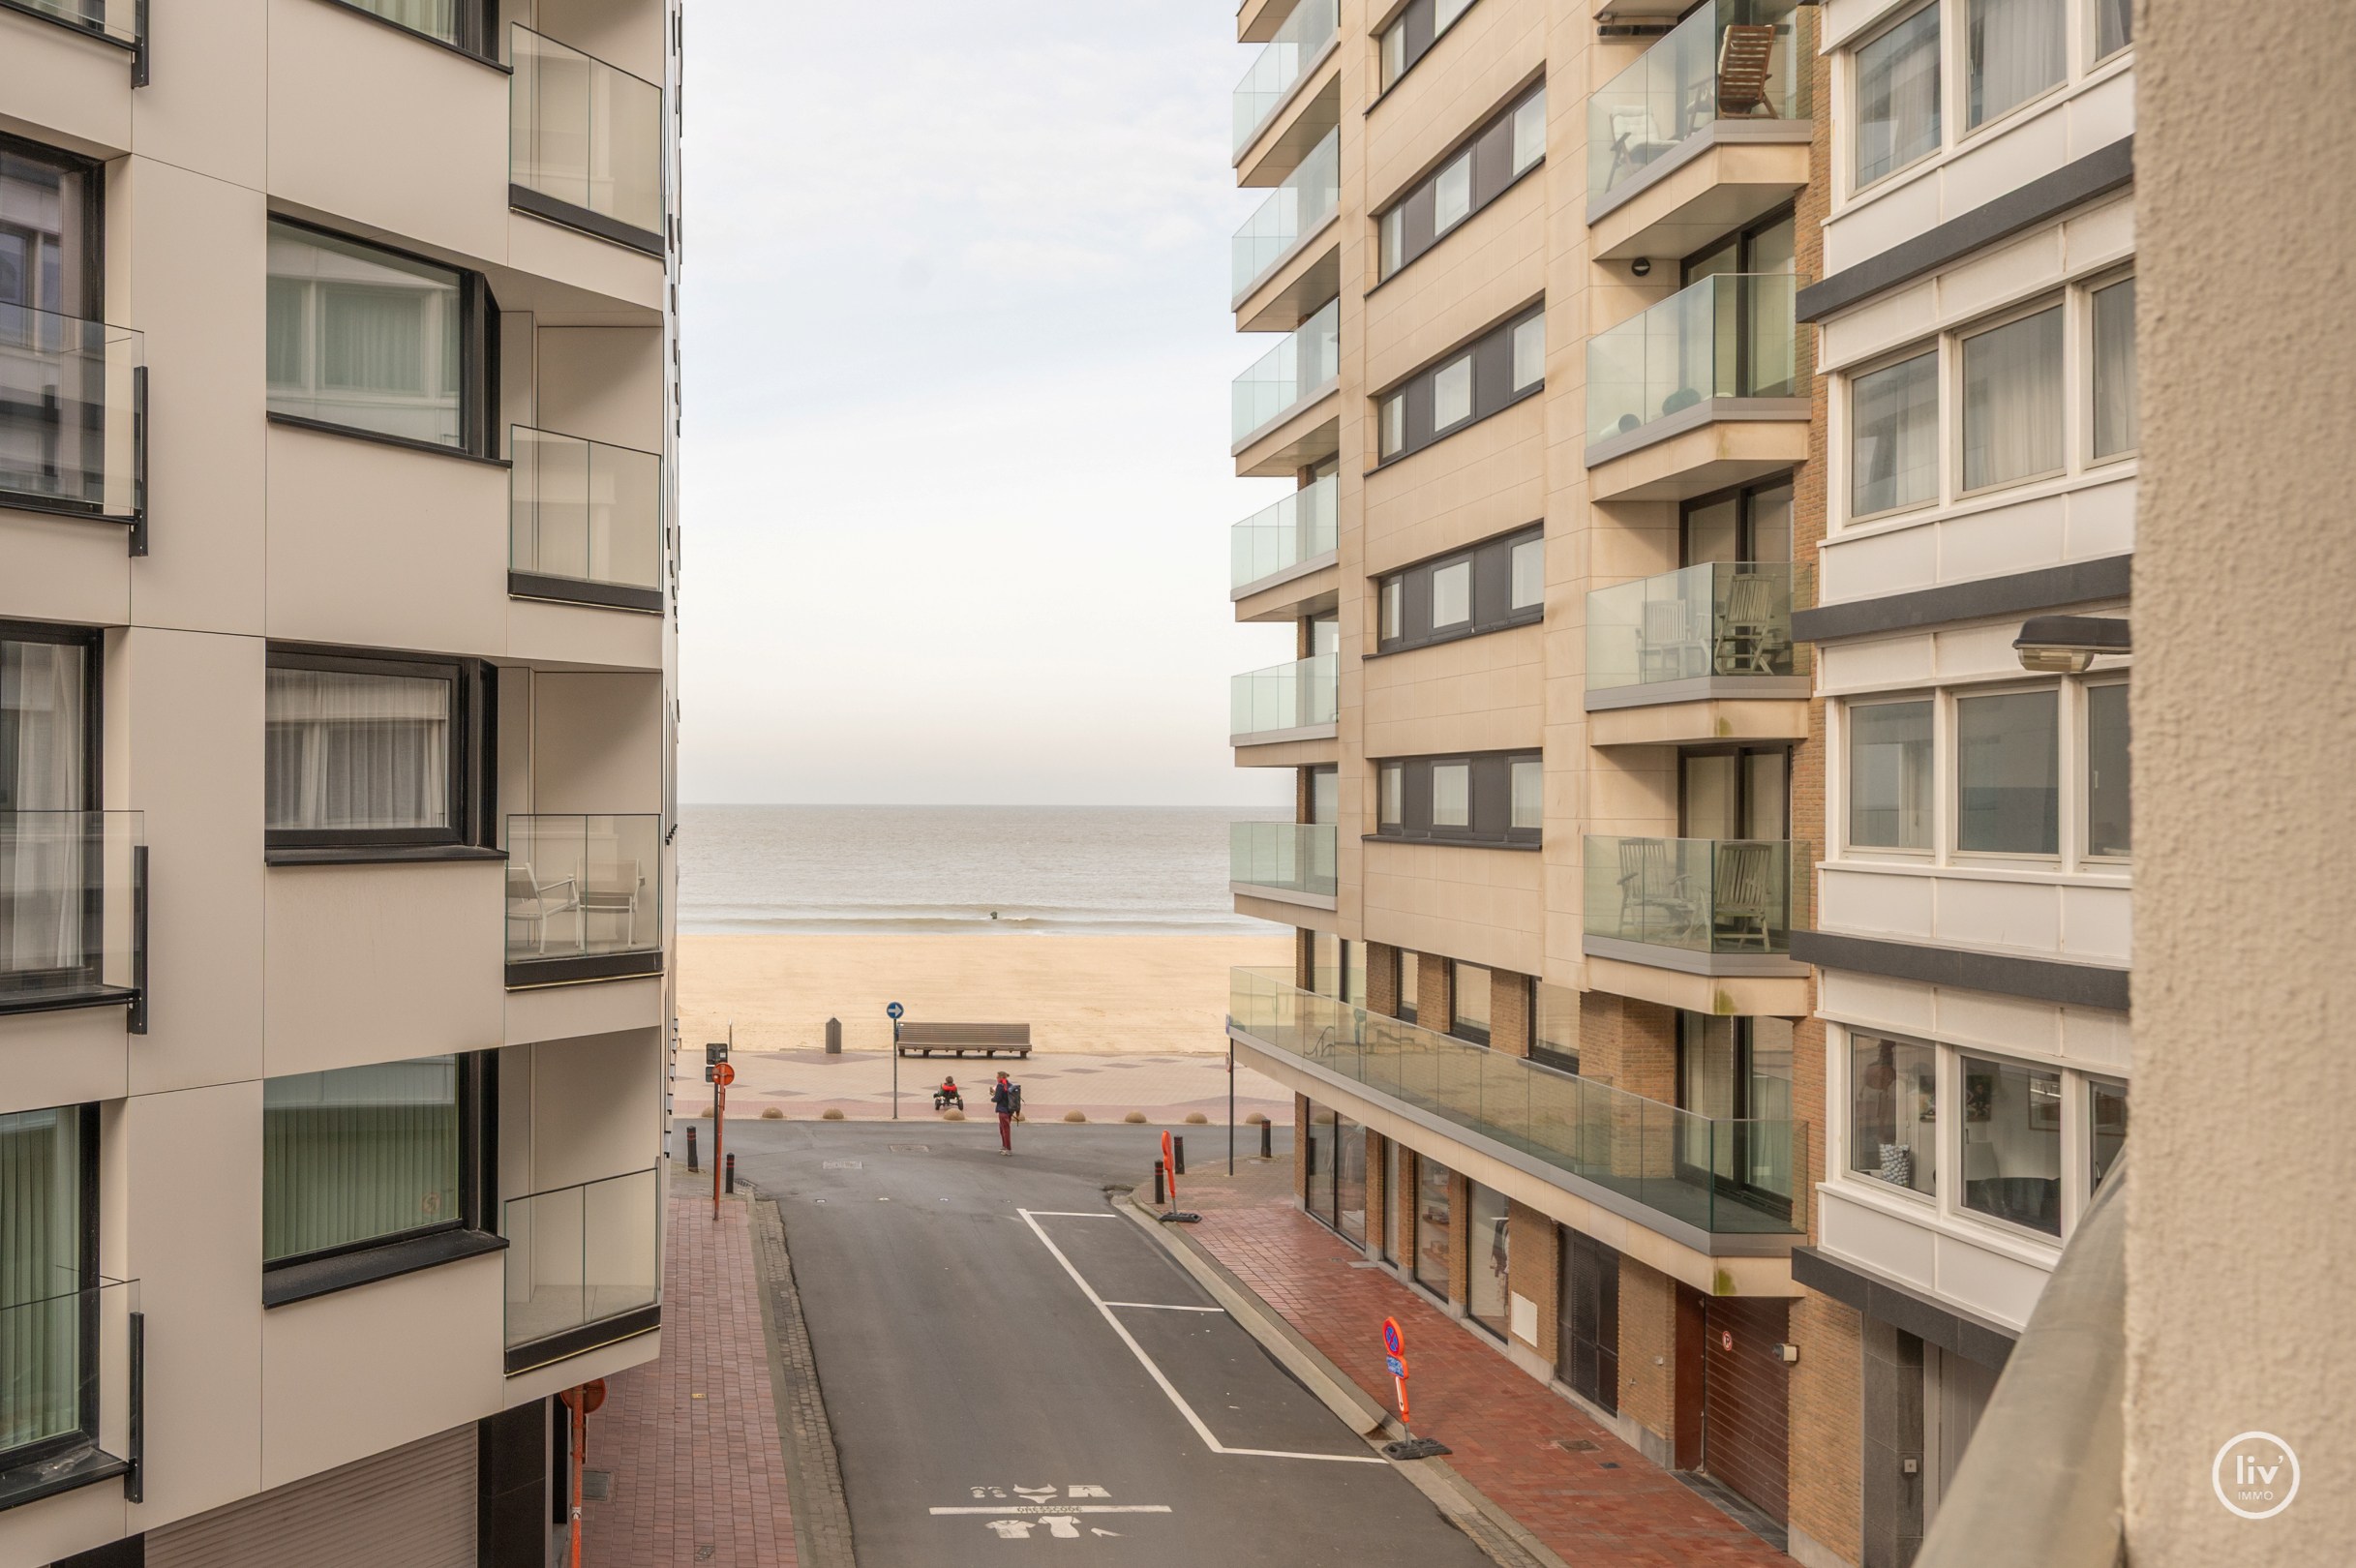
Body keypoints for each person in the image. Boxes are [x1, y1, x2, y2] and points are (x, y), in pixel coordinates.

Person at [990, 1070, 1021, 1155]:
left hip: (1002, 1110)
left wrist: (992, 1098)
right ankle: (1004, 1146)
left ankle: (1008, 1149)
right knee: (1003, 1129)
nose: (996, 1079)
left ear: (1000, 1077)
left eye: (997, 1077)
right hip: (1009, 1110)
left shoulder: (1000, 1086)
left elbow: (997, 1098)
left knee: (1005, 1130)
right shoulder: (1010, 1085)